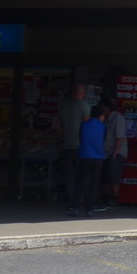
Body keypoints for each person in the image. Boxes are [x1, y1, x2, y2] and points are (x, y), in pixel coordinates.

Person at [56, 83, 89, 212]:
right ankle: (84, 201)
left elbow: (58, 126)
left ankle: (70, 202)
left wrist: (61, 139)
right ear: (82, 93)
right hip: (80, 145)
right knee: (83, 175)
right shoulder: (84, 105)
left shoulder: (64, 106)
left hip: (67, 144)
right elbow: (87, 124)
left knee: (69, 175)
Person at [74, 103, 106, 217]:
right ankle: (90, 209)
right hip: (97, 158)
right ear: (101, 116)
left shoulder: (84, 125)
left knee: (80, 183)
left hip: (84, 156)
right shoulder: (103, 127)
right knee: (94, 184)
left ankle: (76, 207)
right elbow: (104, 139)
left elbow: (80, 137)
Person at [100, 95, 127, 207]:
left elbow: (120, 137)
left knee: (114, 176)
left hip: (115, 152)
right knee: (106, 176)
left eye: (103, 108)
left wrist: (115, 153)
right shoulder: (105, 119)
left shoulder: (118, 118)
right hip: (106, 152)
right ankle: (106, 198)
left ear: (107, 108)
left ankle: (114, 199)